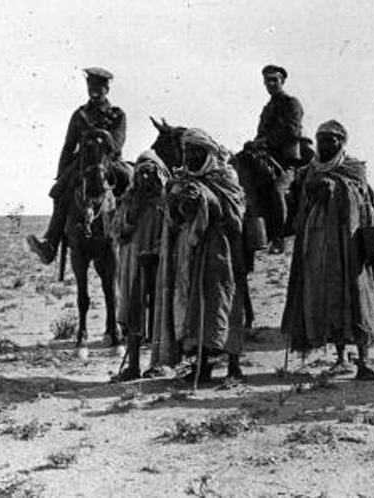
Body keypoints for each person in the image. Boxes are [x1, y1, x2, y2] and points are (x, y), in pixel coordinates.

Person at [282, 120, 374, 381]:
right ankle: (340, 358)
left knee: (356, 298)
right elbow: (301, 205)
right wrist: (304, 191)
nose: (325, 145)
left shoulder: (354, 168)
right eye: (321, 141)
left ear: (341, 142)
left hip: (350, 246)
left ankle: (364, 360)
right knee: (328, 301)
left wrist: (335, 188)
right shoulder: (308, 171)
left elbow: (363, 201)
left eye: (331, 140)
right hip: (317, 246)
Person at [149, 128, 247, 382]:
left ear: (207, 152)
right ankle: (201, 365)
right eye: (186, 152)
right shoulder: (180, 181)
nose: (190, 157)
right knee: (193, 307)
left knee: (223, 303)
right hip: (188, 253)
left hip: (220, 252)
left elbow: (235, 219)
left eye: (195, 151)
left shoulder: (225, 178)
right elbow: (173, 220)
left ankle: (233, 365)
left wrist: (207, 199)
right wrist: (177, 202)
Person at [27, 67, 130, 264]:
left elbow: (117, 145)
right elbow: (68, 146)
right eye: (91, 86)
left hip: (109, 163)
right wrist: (62, 174)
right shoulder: (79, 115)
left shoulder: (117, 115)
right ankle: (50, 244)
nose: (94, 90)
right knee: (59, 191)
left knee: (132, 184)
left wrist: (100, 137)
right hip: (83, 164)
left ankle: (132, 235)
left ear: (107, 89)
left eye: (98, 87)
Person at [113, 150, 169, 380]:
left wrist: (156, 251)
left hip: (159, 263)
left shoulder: (166, 201)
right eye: (141, 173)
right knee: (132, 313)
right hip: (132, 264)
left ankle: (159, 364)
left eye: (149, 172)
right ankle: (133, 365)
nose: (145, 177)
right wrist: (130, 217)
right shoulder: (128, 200)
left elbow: (171, 232)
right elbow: (117, 231)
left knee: (159, 313)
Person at [246, 64, 306, 254]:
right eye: (267, 80)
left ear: (282, 81)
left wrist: (265, 141)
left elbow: (292, 131)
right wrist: (254, 143)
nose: (271, 84)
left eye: (274, 80)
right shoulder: (267, 109)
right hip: (267, 158)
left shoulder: (291, 103)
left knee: (277, 189)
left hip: (289, 161)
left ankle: (279, 239)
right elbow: (260, 133)